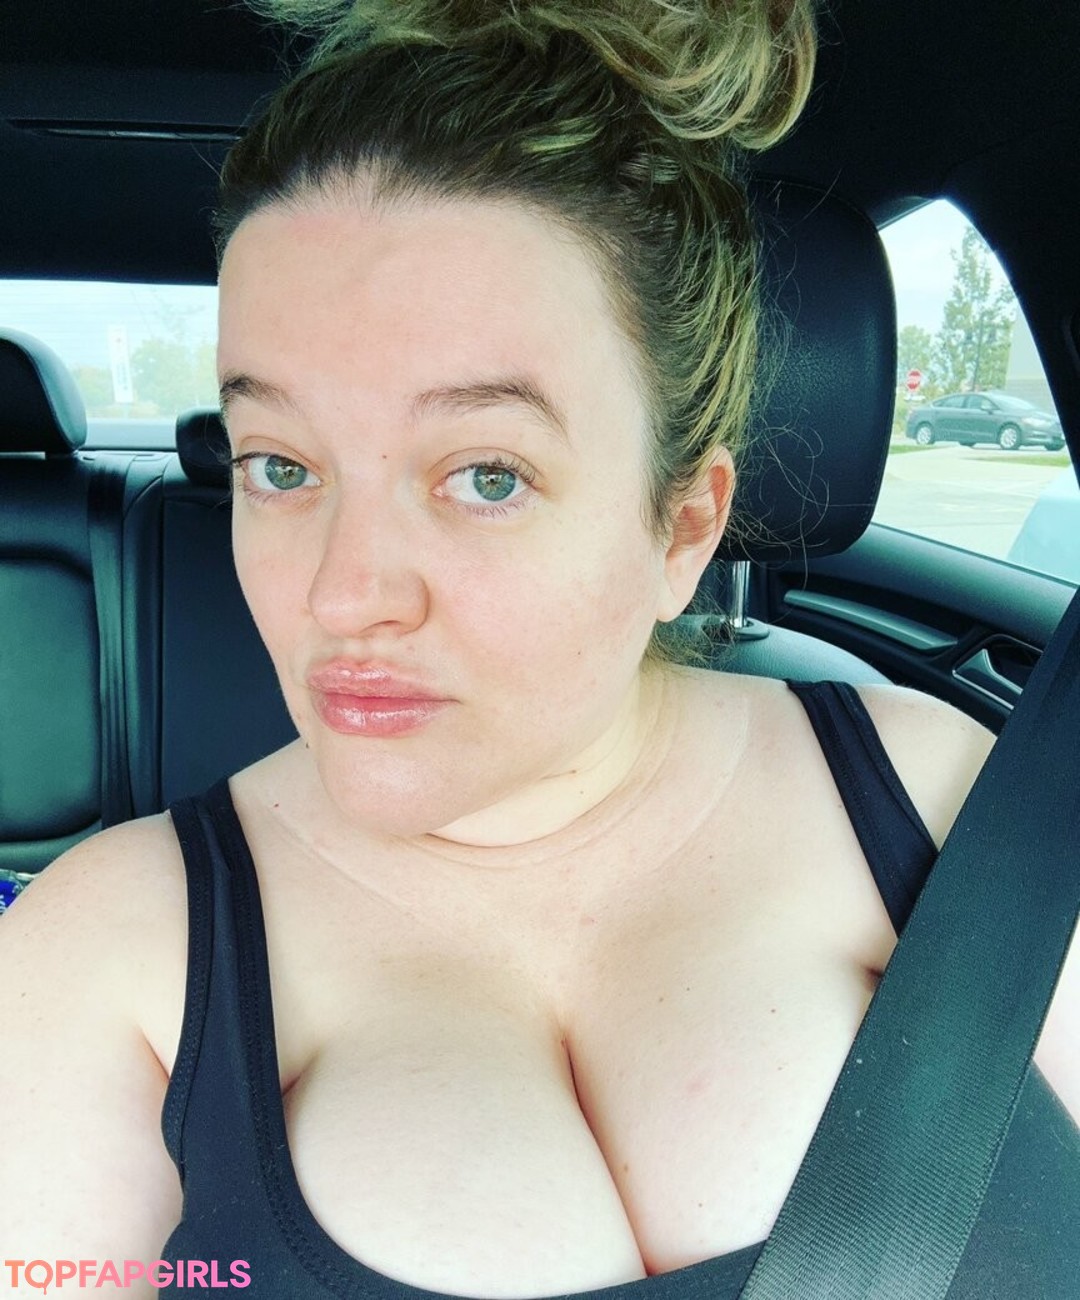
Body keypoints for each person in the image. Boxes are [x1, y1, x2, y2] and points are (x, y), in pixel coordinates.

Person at [1, 2, 1076, 1296]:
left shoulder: (954, 812)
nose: (344, 595)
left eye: (487, 476)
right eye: (281, 466)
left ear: (683, 526)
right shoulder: (101, 961)